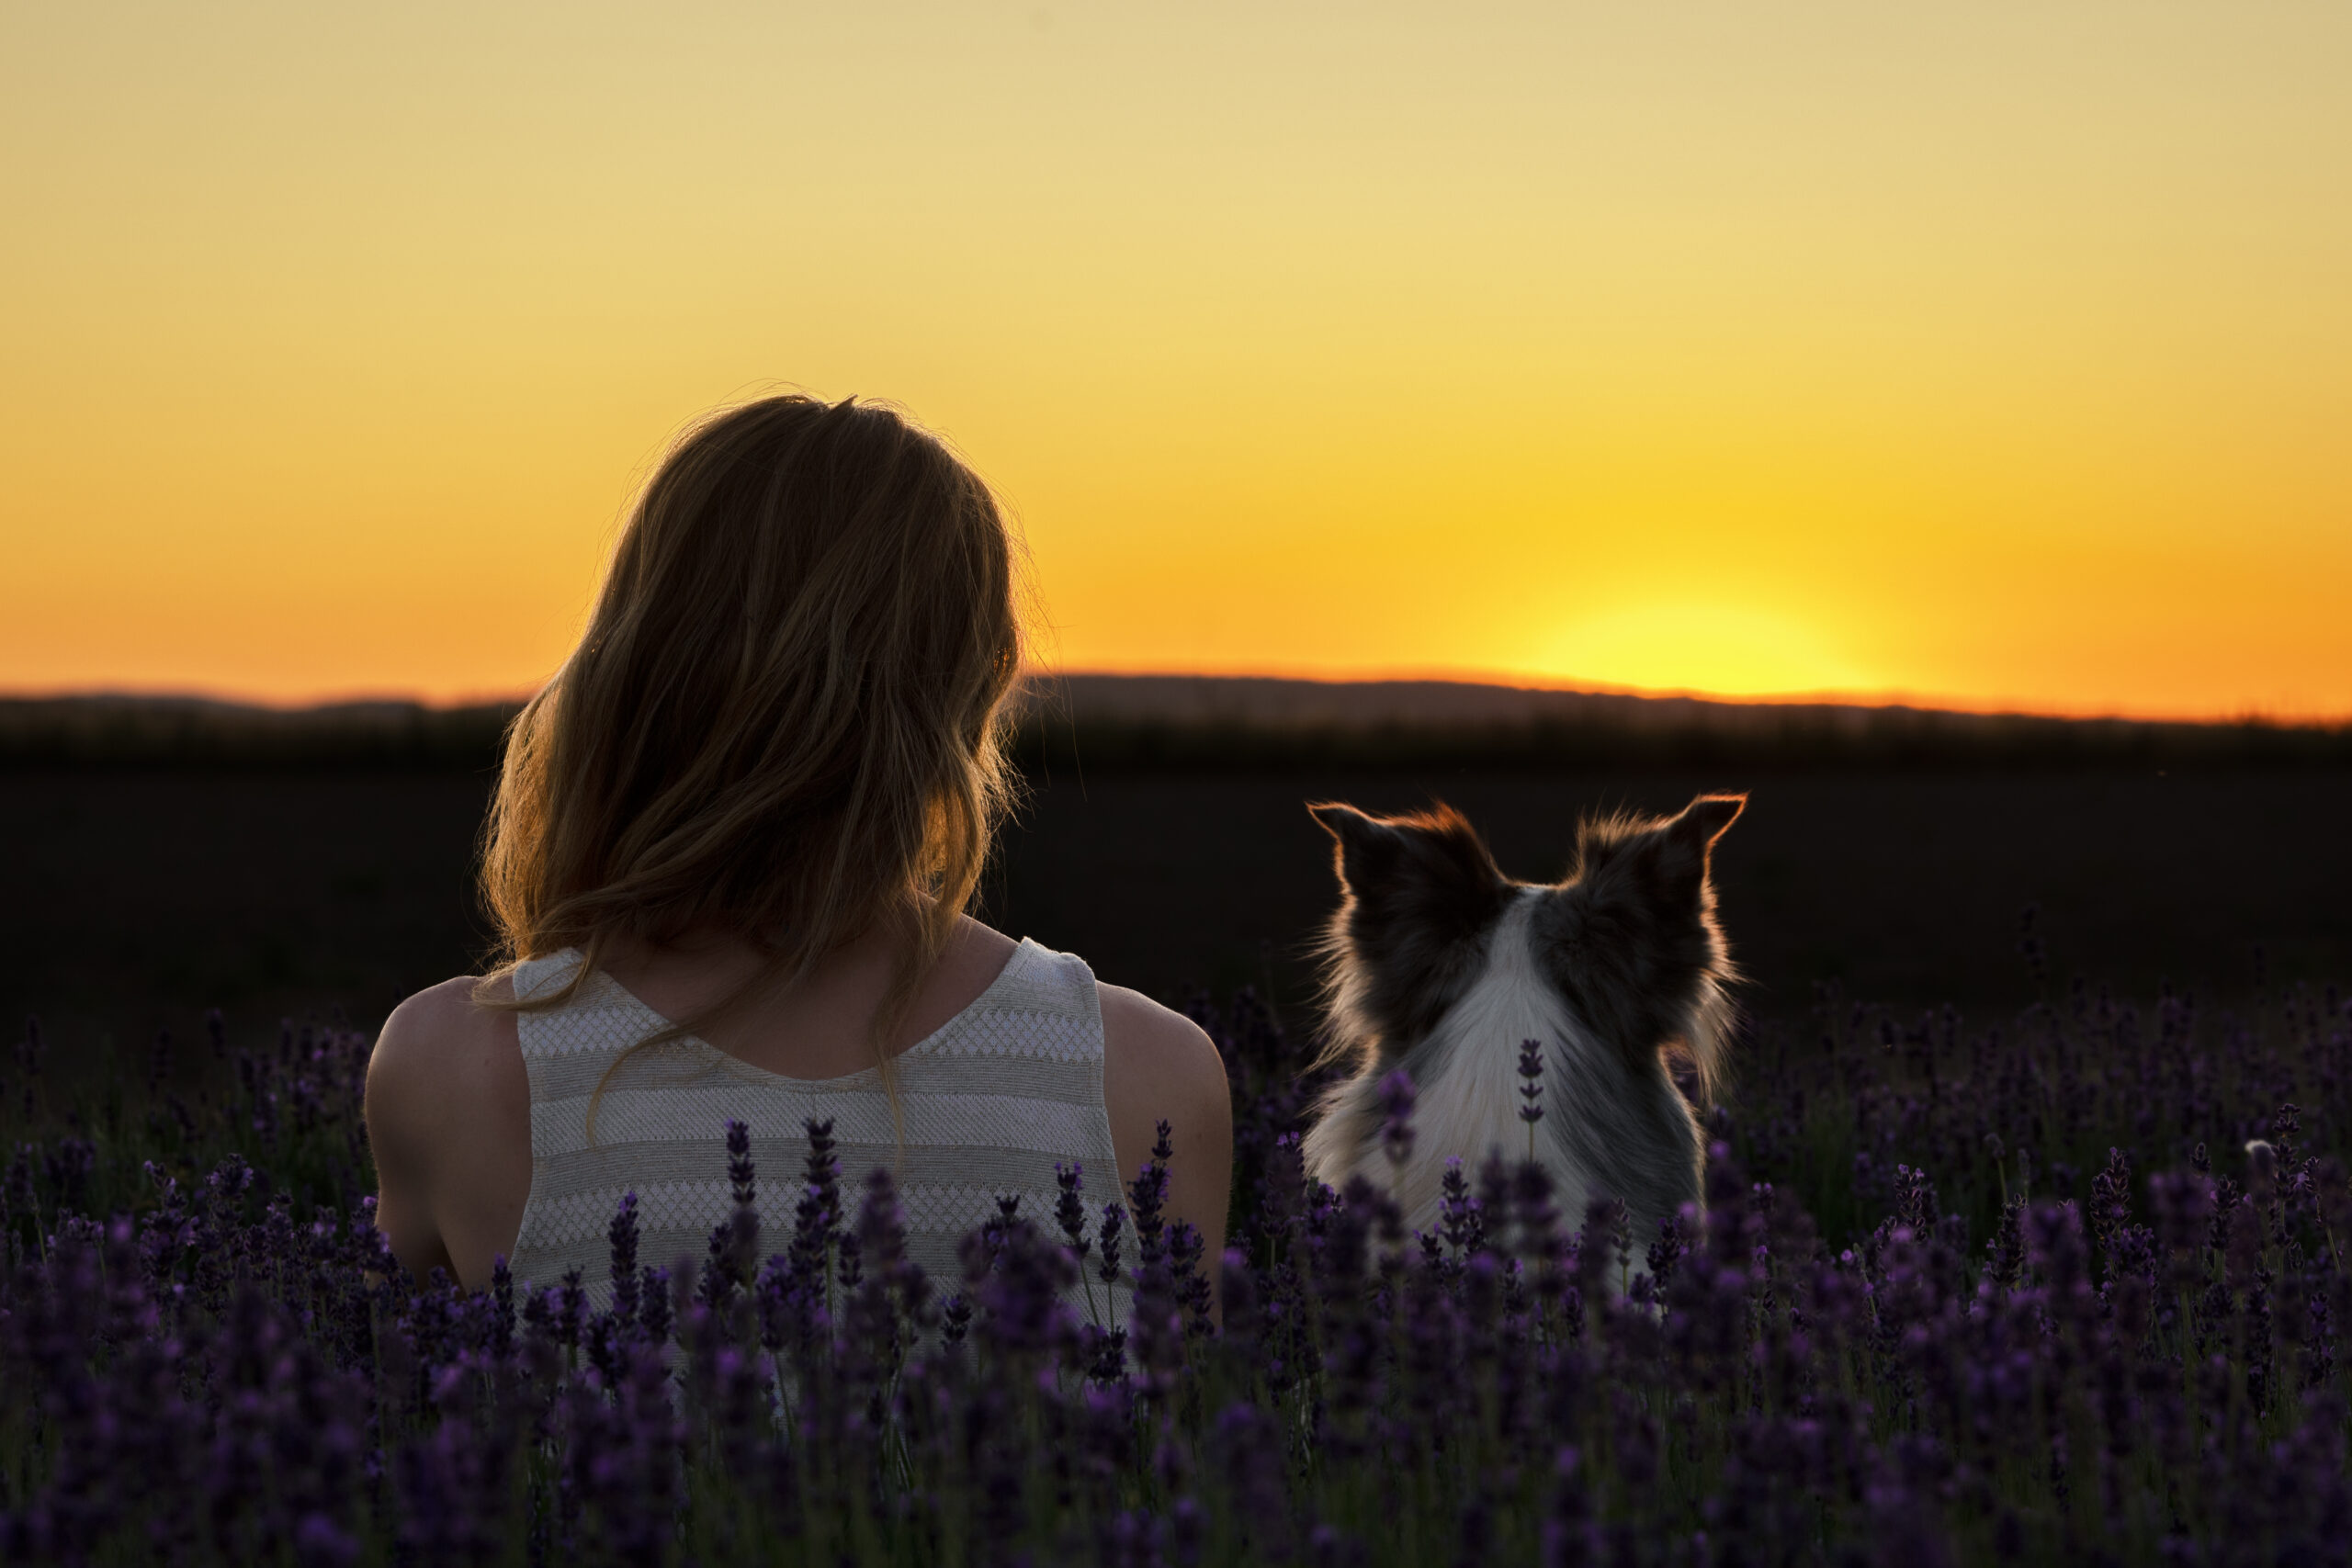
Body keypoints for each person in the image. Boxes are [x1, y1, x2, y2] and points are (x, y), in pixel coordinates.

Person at [364, 394, 1231, 1315]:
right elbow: (1181, 1448)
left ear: (634, 661)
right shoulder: (1144, 1073)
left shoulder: (452, 1067)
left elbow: (388, 1434)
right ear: (977, 685)